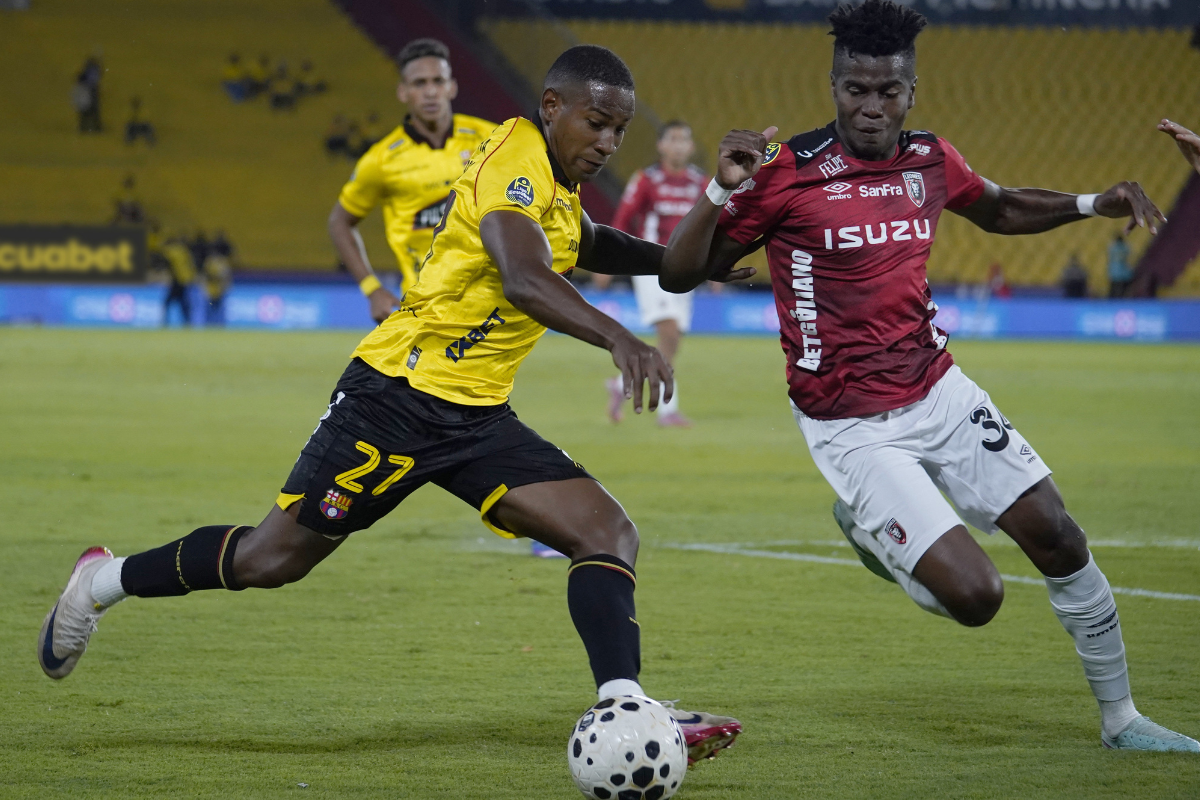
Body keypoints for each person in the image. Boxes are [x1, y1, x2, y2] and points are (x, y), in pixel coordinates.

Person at [38, 44, 744, 767]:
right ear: (553, 106)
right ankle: (100, 582)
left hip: (477, 417)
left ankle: (623, 704)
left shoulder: (559, 190)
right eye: (597, 122)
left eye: (620, 131)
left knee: (606, 530)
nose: (608, 142)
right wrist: (620, 338)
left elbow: (620, 251)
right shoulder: (515, 156)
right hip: (394, 399)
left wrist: (710, 215)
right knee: (270, 559)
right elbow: (527, 277)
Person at [662, 0, 1195, 752]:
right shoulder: (787, 174)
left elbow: (1000, 208)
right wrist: (720, 191)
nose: (870, 106)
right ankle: (873, 531)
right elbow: (684, 274)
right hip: (850, 424)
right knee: (979, 599)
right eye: (855, 89)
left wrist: (1087, 204)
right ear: (833, 84)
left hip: (939, 389)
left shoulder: (931, 160)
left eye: (887, 91)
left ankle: (1123, 721)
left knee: (1061, 538)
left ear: (912, 91)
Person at [328, 38, 495, 321]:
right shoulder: (381, 160)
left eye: (438, 81)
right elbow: (339, 221)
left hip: (492, 301)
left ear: (451, 87)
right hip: (425, 305)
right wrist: (372, 289)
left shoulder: (491, 139)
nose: (430, 92)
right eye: (419, 84)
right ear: (403, 92)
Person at [603, 121, 708, 427]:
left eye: (684, 139)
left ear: (690, 147)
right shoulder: (646, 180)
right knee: (669, 332)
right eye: (673, 139)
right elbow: (623, 218)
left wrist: (713, 269)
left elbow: (711, 227)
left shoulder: (700, 182)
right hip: (650, 265)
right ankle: (668, 411)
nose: (678, 145)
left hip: (685, 269)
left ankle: (622, 382)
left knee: (671, 343)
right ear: (661, 145)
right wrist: (607, 262)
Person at [161, 236, 196, 327]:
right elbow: (190, 263)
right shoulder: (183, 250)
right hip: (186, 280)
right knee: (183, 303)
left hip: (177, 280)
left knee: (167, 302)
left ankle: (165, 322)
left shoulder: (170, 251)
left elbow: (166, 262)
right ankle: (187, 322)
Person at [74, 56, 103, 133]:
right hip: (89, 92)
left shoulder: (90, 71)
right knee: (90, 110)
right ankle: (90, 127)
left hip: (89, 92)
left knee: (89, 111)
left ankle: (88, 127)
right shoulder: (92, 71)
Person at [1106, 233, 1132, 298]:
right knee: (1123, 290)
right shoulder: (1125, 247)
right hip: (1123, 273)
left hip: (1114, 272)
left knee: (1114, 289)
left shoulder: (1112, 247)